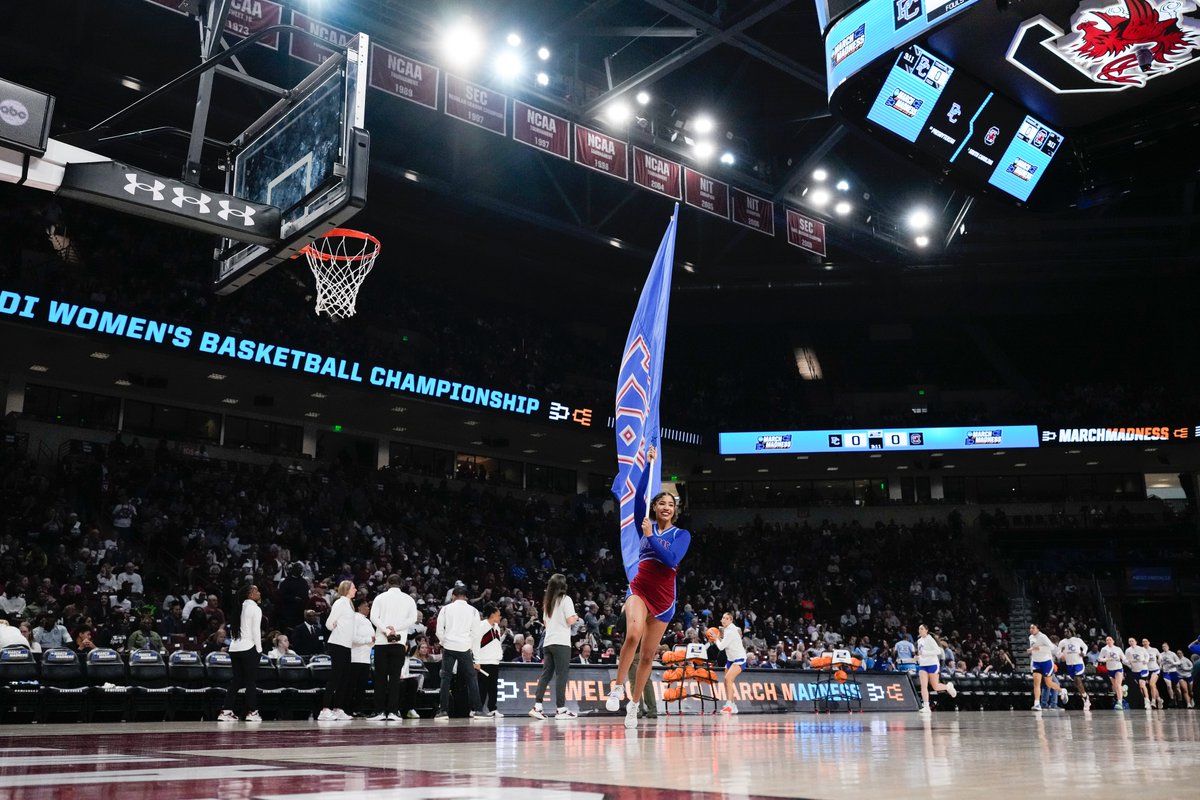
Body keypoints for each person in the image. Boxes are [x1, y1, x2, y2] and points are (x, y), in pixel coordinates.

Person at [605, 455, 692, 729]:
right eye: (661, 503)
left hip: (665, 600)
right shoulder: (643, 522)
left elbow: (670, 560)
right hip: (639, 589)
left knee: (647, 656)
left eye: (670, 504)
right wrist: (645, 464)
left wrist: (651, 536)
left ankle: (634, 705)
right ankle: (618, 687)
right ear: (654, 507)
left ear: (674, 510)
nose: (666, 507)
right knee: (632, 634)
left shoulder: (681, 535)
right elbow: (639, 494)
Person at [529, 573, 579, 720]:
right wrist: (576, 617)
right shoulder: (566, 599)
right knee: (561, 675)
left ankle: (537, 706)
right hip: (561, 643)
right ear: (563, 585)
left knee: (546, 674)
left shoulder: (548, 602)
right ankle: (561, 709)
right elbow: (570, 620)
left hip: (548, 642)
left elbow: (545, 623)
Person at [368, 573, 418, 721]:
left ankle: (379, 712)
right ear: (401, 584)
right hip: (399, 642)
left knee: (380, 677)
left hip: (382, 641)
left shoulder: (380, 598)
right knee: (395, 677)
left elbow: (373, 617)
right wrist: (395, 628)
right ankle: (393, 712)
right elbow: (413, 619)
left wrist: (386, 629)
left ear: (387, 583)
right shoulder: (409, 599)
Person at [434, 583, 486, 720]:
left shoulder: (445, 609)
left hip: (449, 647)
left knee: (445, 679)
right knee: (472, 679)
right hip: (465, 647)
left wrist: (445, 642)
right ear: (465, 597)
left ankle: (443, 711)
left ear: (453, 596)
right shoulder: (473, 611)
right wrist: (477, 659)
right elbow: (476, 636)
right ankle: (479, 711)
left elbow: (439, 630)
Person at [216, 583, 263, 723]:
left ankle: (226, 711)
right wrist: (259, 650)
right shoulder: (255, 608)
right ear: (250, 595)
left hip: (235, 648)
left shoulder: (239, 607)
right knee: (250, 682)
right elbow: (256, 632)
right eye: (256, 591)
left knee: (236, 681)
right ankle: (252, 712)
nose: (259, 593)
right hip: (248, 647)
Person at [317, 580, 356, 721]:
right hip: (338, 644)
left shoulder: (349, 605)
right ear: (346, 589)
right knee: (335, 677)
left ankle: (338, 709)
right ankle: (325, 709)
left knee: (344, 678)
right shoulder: (340, 602)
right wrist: (336, 627)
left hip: (346, 645)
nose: (355, 589)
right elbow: (328, 623)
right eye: (353, 587)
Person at [915, 623, 957, 714]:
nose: (920, 630)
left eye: (922, 629)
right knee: (923, 685)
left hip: (932, 664)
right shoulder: (919, 641)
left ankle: (948, 686)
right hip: (923, 665)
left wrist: (926, 653)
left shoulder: (930, 639)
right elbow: (921, 653)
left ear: (926, 630)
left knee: (935, 686)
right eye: (919, 629)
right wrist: (918, 658)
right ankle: (926, 707)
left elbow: (938, 651)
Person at [710, 612, 746, 715]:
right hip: (731, 660)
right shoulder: (728, 630)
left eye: (727, 618)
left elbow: (721, 647)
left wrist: (716, 638)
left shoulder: (730, 631)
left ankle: (729, 705)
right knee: (727, 682)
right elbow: (725, 643)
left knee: (728, 679)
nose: (724, 620)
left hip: (739, 659)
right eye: (723, 618)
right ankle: (733, 705)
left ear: (731, 621)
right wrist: (718, 638)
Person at [473, 603, 504, 717]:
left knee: (493, 687)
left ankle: (492, 709)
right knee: (483, 687)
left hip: (494, 661)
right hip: (484, 662)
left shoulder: (497, 627)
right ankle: (478, 709)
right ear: (492, 615)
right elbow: (475, 644)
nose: (500, 617)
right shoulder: (481, 626)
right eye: (498, 615)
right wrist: (476, 661)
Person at [1026, 624, 1065, 711]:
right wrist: (1031, 650)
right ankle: (1037, 704)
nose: (1031, 629)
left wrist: (1037, 648)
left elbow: (1051, 647)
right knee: (1036, 684)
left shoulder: (1043, 637)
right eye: (1030, 628)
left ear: (1038, 629)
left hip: (1046, 662)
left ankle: (1062, 691)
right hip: (1036, 662)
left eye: (1033, 628)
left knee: (1049, 684)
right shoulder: (1030, 637)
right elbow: (1033, 649)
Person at [349, 597, 376, 717]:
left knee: (362, 686)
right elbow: (352, 638)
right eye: (366, 606)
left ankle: (358, 709)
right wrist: (368, 640)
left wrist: (372, 641)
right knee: (352, 686)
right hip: (355, 658)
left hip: (365, 658)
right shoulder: (354, 618)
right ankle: (347, 709)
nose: (368, 608)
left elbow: (373, 639)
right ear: (359, 607)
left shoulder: (368, 621)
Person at [1058, 628, 1090, 710]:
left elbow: (1085, 647)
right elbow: (1058, 653)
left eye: (1067, 631)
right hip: (1069, 665)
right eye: (1064, 632)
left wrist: (1084, 653)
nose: (1066, 633)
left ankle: (1086, 699)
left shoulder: (1077, 640)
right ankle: (1085, 696)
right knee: (1076, 683)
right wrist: (1061, 655)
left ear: (1071, 633)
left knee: (1077, 679)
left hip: (1078, 663)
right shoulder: (1062, 642)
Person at [1098, 636, 1126, 710]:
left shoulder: (1118, 649)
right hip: (1110, 669)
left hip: (1118, 668)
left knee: (1117, 684)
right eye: (1107, 640)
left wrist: (1127, 661)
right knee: (1115, 687)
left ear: (1113, 641)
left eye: (1110, 640)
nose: (1108, 641)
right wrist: (1107, 659)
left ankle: (1119, 702)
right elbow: (1099, 658)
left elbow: (1124, 658)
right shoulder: (1104, 649)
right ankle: (1123, 690)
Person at [1124, 637, 1150, 710]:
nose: (1131, 642)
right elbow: (1125, 660)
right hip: (1135, 671)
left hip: (1143, 669)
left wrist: (1146, 660)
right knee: (1140, 687)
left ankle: (1147, 701)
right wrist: (1129, 664)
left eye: (1132, 641)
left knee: (1142, 684)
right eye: (1129, 641)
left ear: (1136, 641)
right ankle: (1144, 700)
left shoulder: (1141, 649)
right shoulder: (1128, 650)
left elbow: (1147, 655)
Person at [1142, 638, 1163, 709]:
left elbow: (1160, 655)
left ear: (1149, 642)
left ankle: (1153, 701)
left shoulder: (1154, 649)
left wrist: (1160, 663)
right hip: (1146, 670)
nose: (1144, 643)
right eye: (1143, 642)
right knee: (1153, 686)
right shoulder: (1141, 650)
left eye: (1146, 641)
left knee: (1152, 684)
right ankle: (1159, 699)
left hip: (1155, 669)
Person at [1158, 643, 1180, 709]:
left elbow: (1179, 662)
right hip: (1166, 672)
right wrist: (1160, 667)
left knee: (1177, 688)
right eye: (1162, 646)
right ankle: (1172, 699)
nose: (1164, 647)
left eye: (1165, 646)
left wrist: (1173, 663)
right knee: (1168, 686)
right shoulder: (1161, 655)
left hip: (1173, 672)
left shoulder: (1172, 654)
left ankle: (1179, 700)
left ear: (1168, 647)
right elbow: (1160, 664)